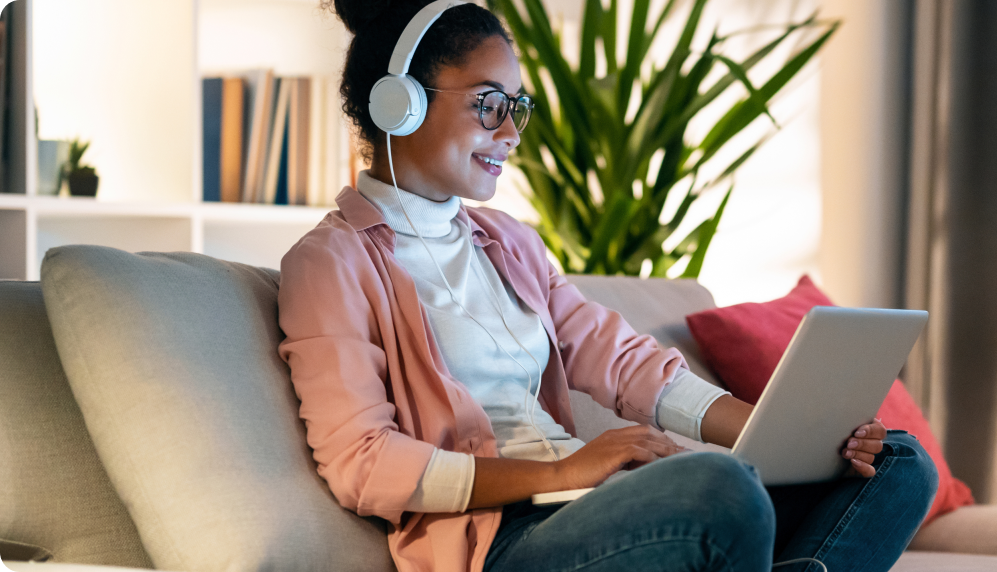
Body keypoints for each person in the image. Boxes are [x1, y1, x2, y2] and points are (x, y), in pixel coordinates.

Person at [276, 1, 939, 571]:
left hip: (595, 504)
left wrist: (784, 434)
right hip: (504, 538)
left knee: (898, 463)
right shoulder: (332, 262)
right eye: (488, 105)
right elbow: (362, 463)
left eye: (518, 108)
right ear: (400, 104)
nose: (509, 134)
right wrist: (561, 473)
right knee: (718, 490)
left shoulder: (508, 241)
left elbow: (623, 363)